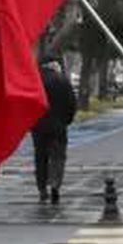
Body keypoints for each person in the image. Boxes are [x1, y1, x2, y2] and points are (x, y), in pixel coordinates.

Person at [32, 55, 77, 205]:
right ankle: (55, 185)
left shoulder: (35, 81)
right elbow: (72, 103)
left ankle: (42, 189)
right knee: (58, 157)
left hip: (38, 126)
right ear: (53, 65)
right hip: (58, 126)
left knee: (41, 157)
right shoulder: (63, 80)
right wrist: (67, 120)